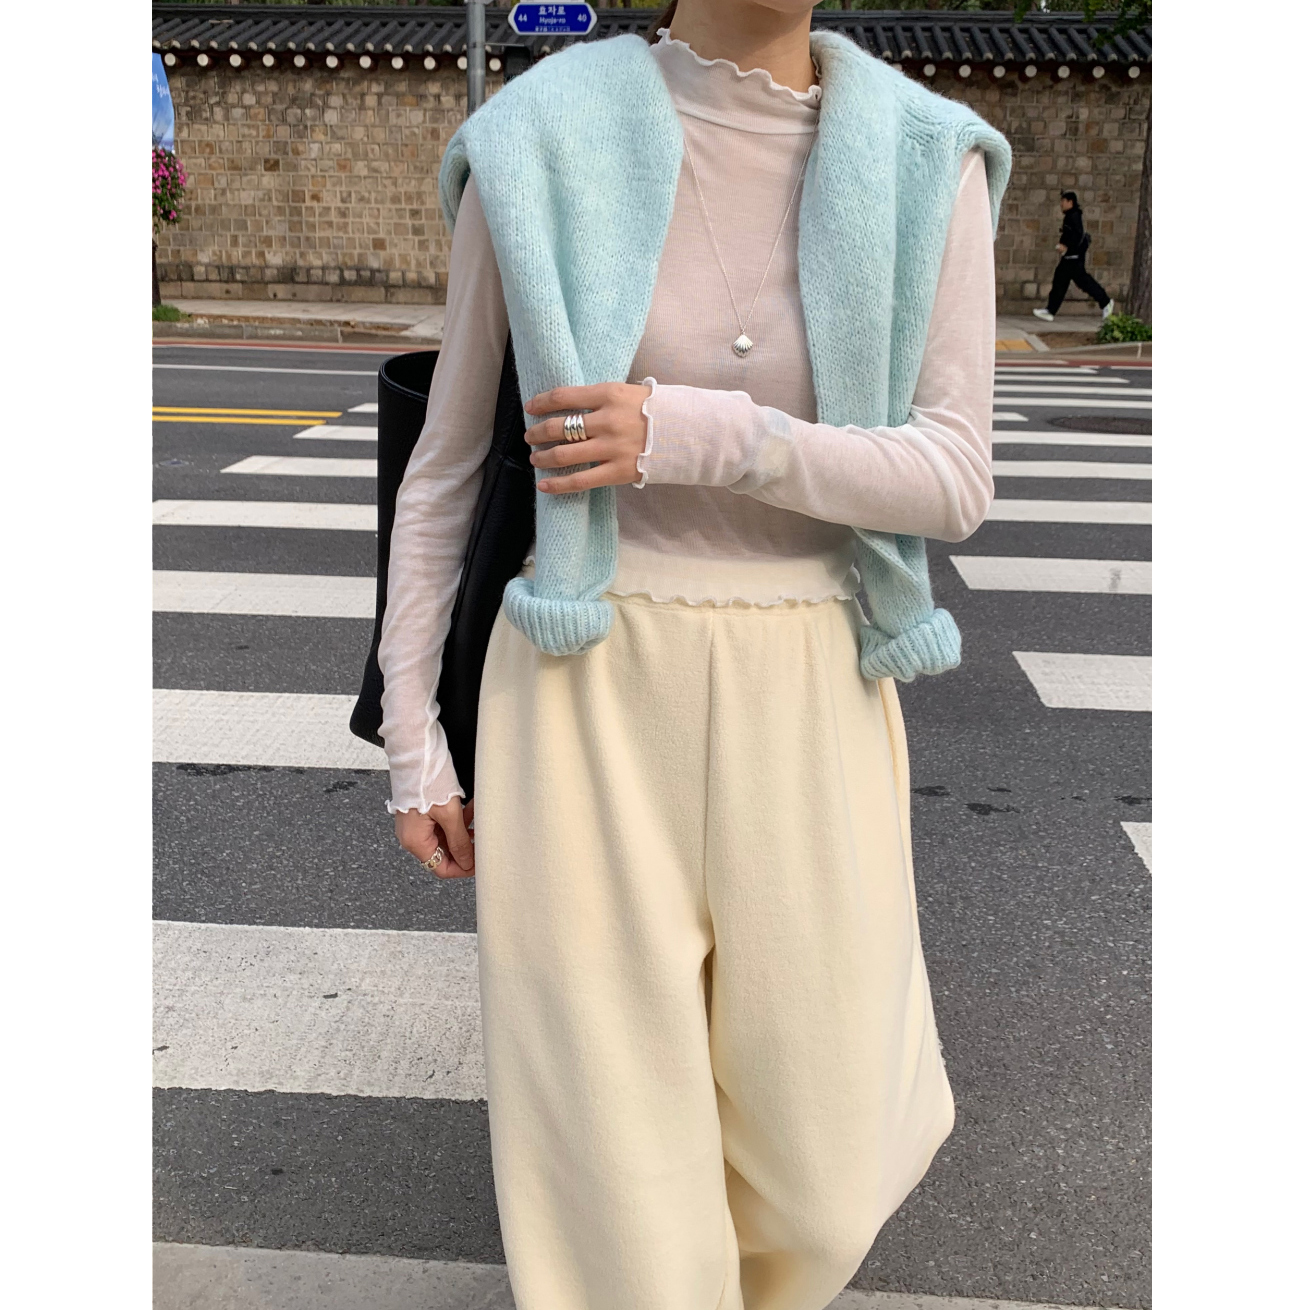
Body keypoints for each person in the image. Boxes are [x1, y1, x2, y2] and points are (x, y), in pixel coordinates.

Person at [377, 1, 1009, 1305]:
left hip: (814, 676)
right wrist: (411, 735)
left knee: (826, 1172)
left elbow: (952, 477)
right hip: (584, 678)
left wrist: (701, 433)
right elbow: (443, 469)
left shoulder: (924, 155)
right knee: (611, 1167)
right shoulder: (534, 137)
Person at [1033, 189, 1114, 321]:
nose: (1061, 204)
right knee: (1060, 281)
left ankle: (1106, 302)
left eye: (1063, 201)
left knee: (1083, 282)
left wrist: (1066, 248)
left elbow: (1077, 235)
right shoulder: (1071, 216)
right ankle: (1050, 310)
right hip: (1070, 257)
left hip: (1073, 258)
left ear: (1070, 202)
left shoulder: (1073, 216)